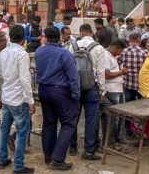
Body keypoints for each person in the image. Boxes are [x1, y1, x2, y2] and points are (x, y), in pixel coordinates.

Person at [35, 26, 79, 170]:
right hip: (60, 92)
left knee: (49, 123)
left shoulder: (39, 51)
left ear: (45, 37)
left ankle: (49, 156)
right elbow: (73, 77)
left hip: (44, 90)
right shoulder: (64, 54)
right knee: (68, 124)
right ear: (59, 37)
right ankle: (58, 158)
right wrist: (76, 94)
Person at [0, 25, 36, 174]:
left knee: (5, 129)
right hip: (19, 98)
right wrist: (30, 100)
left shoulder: (3, 52)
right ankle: (18, 166)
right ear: (23, 39)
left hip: (7, 96)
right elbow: (25, 80)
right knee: (21, 132)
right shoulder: (22, 54)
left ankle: (2, 159)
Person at [68, 23, 105, 160]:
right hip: (92, 86)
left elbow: (69, 66)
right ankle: (88, 150)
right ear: (91, 32)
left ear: (81, 33)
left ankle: (72, 146)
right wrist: (102, 88)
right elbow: (100, 71)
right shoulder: (98, 48)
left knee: (73, 117)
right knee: (91, 119)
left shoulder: (73, 46)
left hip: (76, 86)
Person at [102, 39, 127, 145]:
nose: (119, 54)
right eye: (119, 51)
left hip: (117, 88)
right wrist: (120, 72)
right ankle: (110, 140)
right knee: (113, 116)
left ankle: (116, 138)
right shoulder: (106, 56)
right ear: (115, 48)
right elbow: (106, 74)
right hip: (111, 89)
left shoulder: (112, 56)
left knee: (119, 115)